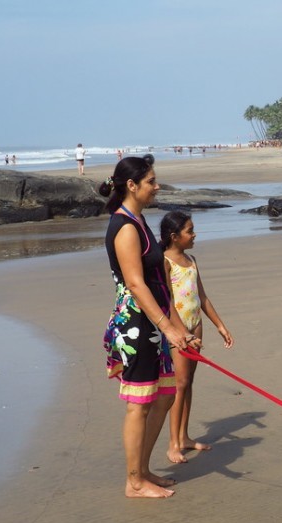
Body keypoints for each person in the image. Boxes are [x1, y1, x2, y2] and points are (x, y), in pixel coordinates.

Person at [101, 154, 200, 498]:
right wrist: (168, 328)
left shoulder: (139, 220)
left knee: (166, 394)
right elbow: (137, 284)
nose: (157, 187)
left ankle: (142, 470)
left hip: (154, 322)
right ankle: (134, 481)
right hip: (137, 324)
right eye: (151, 182)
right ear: (131, 185)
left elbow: (161, 283)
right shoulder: (125, 226)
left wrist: (179, 328)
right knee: (139, 403)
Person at [160, 211, 234, 464]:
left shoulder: (191, 260)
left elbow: (201, 297)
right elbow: (167, 301)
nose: (194, 234)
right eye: (189, 231)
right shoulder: (165, 262)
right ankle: (173, 444)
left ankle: (184, 437)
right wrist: (183, 334)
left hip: (196, 324)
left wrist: (219, 325)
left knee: (189, 381)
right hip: (177, 330)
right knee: (179, 384)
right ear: (174, 236)